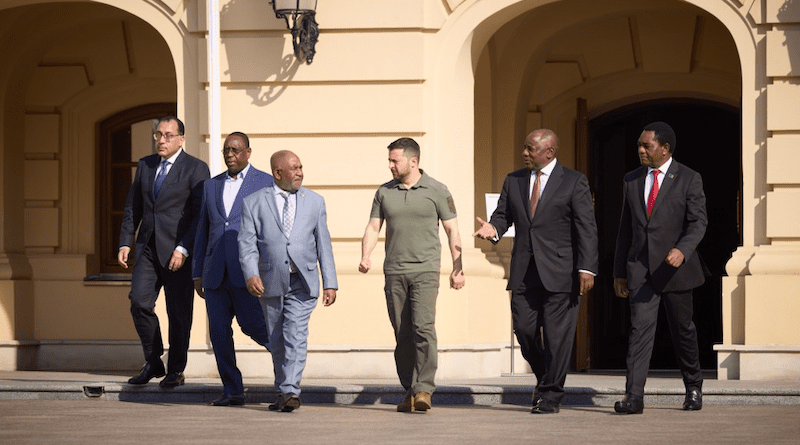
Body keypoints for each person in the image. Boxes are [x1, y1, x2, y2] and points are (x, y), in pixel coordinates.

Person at [473, 129, 598, 414]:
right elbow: (502, 216)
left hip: (562, 272)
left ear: (549, 152)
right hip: (524, 272)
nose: (524, 153)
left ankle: (552, 396)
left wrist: (587, 268)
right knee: (525, 332)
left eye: (530, 149)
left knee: (557, 337)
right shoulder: (514, 180)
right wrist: (493, 229)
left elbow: (586, 228)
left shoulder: (574, 182)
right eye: (525, 148)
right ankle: (545, 380)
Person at [359, 137, 465, 413]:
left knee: (423, 327)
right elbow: (373, 226)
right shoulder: (384, 192)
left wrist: (458, 267)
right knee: (402, 332)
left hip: (426, 270)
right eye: (390, 160)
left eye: (395, 160)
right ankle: (409, 389)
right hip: (394, 271)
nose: (390, 165)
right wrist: (366, 255)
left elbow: (452, 229)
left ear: (413, 161)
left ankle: (424, 389)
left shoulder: (437, 190)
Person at [612, 121, 707, 414]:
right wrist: (619, 271)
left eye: (647, 145)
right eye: (639, 145)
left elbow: (698, 222)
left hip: (676, 268)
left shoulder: (689, 178)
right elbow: (625, 228)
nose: (640, 150)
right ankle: (634, 397)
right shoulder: (631, 180)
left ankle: (693, 387)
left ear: (665, 149)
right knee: (639, 331)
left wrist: (683, 249)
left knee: (683, 331)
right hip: (640, 269)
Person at [238, 150, 337, 412]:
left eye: (301, 167)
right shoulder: (253, 202)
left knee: (295, 334)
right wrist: (251, 273)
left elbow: (323, 244)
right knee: (277, 338)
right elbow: (247, 245)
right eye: (294, 168)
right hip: (270, 280)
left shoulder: (315, 201)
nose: (300, 172)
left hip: (302, 281)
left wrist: (330, 282)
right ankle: (283, 390)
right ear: (277, 172)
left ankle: (291, 390)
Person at [118, 116, 210, 388]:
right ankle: (154, 360)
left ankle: (176, 370)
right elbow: (132, 207)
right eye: (158, 135)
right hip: (147, 247)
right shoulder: (146, 165)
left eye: (168, 135)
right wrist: (125, 242)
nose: (161, 140)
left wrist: (183, 248)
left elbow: (199, 216)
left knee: (179, 313)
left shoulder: (196, 168)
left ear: (181, 139)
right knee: (139, 302)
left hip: (178, 252)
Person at [192, 132, 273, 406]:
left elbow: (270, 231)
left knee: (256, 327)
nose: (230, 155)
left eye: (236, 150)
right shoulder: (211, 186)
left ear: (248, 152)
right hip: (215, 274)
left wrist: (266, 270)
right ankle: (232, 390)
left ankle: (288, 377)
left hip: (248, 273)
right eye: (226, 150)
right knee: (219, 333)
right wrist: (197, 272)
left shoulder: (265, 182)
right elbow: (202, 230)